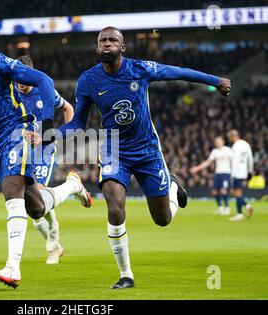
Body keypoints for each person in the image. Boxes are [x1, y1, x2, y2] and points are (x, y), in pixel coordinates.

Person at [54, 26, 231, 289]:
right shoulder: (88, 80)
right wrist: (49, 136)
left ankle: (172, 188)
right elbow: (78, 124)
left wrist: (214, 80)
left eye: (113, 40)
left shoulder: (140, 69)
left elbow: (177, 72)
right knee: (114, 206)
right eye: (102, 40)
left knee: (162, 220)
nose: (107, 43)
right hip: (114, 149)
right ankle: (126, 275)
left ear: (122, 47)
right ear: (96, 47)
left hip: (147, 149)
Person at [0, 28, 92, 288]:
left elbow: (44, 80)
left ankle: (13, 266)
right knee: (34, 207)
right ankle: (72, 186)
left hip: (17, 133)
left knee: (11, 191)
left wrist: (47, 124)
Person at [16, 55, 74, 265]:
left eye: (25, 79)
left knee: (37, 194)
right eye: (18, 78)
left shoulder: (44, 90)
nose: (21, 83)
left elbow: (68, 108)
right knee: (31, 205)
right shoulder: (11, 90)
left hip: (44, 150)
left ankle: (53, 245)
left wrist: (65, 136)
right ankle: (56, 246)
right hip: (21, 151)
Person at [189, 136, 232, 215]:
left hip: (226, 173)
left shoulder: (228, 150)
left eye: (219, 141)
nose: (217, 143)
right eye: (216, 142)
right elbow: (207, 162)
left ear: (223, 141)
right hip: (218, 173)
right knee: (215, 192)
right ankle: (220, 207)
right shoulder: (215, 151)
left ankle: (227, 208)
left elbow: (234, 161)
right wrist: (197, 169)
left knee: (223, 190)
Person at [226, 129, 254, 221]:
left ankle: (239, 214)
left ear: (233, 136)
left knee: (237, 193)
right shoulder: (246, 144)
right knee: (235, 193)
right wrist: (250, 171)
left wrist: (232, 174)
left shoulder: (236, 146)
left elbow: (235, 161)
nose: (229, 139)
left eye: (229, 137)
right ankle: (247, 206)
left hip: (237, 172)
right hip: (244, 171)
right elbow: (250, 159)